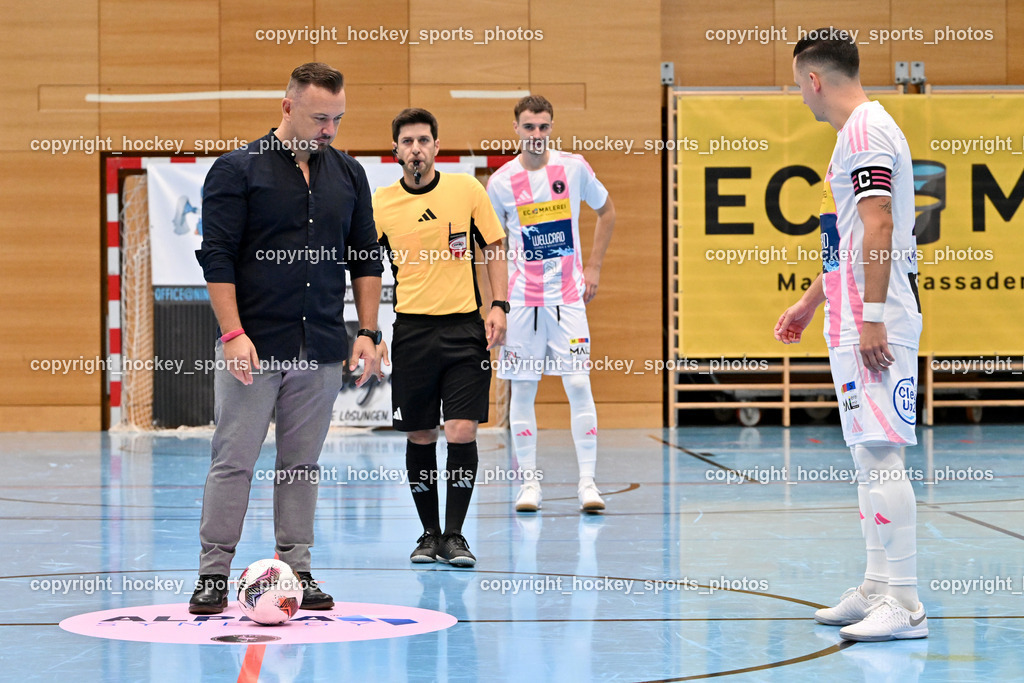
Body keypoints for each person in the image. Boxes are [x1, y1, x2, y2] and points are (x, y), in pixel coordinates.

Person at [189, 63, 385, 614]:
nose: (329, 129)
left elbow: (366, 257)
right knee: (233, 461)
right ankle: (212, 573)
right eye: (320, 118)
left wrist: (368, 331)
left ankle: (297, 569)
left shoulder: (348, 174)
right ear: (287, 107)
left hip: (320, 345)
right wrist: (232, 333)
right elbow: (217, 257)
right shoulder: (237, 169)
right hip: (252, 345)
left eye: (338, 119)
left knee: (302, 465)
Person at [775, 31, 927, 642]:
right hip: (849, 314)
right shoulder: (853, 136)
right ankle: (876, 585)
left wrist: (872, 316)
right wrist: (811, 300)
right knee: (868, 454)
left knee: (883, 452)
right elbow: (850, 238)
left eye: (798, 83)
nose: (800, 94)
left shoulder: (866, 130)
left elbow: (880, 224)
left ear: (814, 79)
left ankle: (906, 603)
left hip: (875, 318)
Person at [373, 108, 508, 568]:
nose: (416, 149)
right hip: (412, 332)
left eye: (423, 140)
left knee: (461, 429)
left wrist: (499, 304)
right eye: (407, 141)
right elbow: (365, 268)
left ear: (436, 146)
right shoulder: (381, 203)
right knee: (421, 433)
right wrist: (370, 330)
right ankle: (429, 534)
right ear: (396, 151)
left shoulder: (466, 190)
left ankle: (455, 535)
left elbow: (494, 247)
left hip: (464, 329)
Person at [486, 95, 616, 513]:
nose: (537, 134)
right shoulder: (501, 182)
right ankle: (529, 485)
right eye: (529, 127)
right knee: (523, 389)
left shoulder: (573, 167)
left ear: (551, 127)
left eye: (543, 127)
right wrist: (496, 305)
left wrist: (593, 267)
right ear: (516, 129)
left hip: (567, 299)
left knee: (578, 384)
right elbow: (492, 246)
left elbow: (607, 211)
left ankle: (588, 484)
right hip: (522, 303)